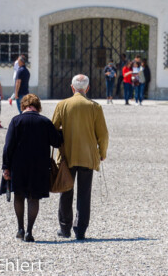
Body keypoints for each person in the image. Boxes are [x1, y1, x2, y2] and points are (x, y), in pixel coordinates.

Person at [52, 74, 109, 240]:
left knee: (65, 191)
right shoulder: (95, 107)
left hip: (67, 155)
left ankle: (64, 228)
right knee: (84, 193)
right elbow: (103, 135)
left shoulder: (62, 105)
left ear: (72, 88)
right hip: (87, 155)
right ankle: (80, 229)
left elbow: (53, 129)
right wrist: (102, 153)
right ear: (87, 88)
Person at [0, 94, 62, 242]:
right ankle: (29, 231)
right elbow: (57, 142)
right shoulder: (45, 122)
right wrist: (60, 131)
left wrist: (6, 167)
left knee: (19, 196)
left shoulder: (16, 121)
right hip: (39, 166)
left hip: (18, 165)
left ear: (23, 106)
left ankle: (20, 228)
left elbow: (8, 146)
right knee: (34, 198)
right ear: (38, 106)